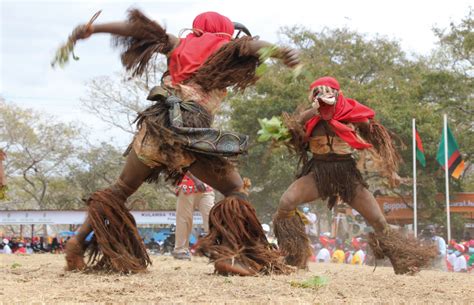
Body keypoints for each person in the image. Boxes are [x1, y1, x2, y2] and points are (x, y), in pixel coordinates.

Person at [63, 9, 299, 275]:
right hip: (188, 133)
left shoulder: (177, 44)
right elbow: (253, 46)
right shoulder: (226, 47)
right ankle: (230, 255)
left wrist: (94, 29)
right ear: (223, 31)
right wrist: (281, 51)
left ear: (197, 28)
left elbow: (138, 31)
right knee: (235, 188)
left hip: (154, 129)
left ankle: (76, 244)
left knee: (121, 189)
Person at [273, 76, 436, 274]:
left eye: (326, 93)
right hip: (318, 174)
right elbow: (289, 130)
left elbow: (374, 135)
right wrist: (315, 110)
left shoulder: (351, 114)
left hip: (347, 177)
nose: (323, 98)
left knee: (378, 221)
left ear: (336, 94)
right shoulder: (310, 118)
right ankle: (294, 257)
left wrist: (390, 170)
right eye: (318, 95)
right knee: (286, 202)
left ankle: (404, 261)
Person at [172, 173, 214, 260]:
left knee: (211, 216)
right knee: (185, 219)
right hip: (187, 185)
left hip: (206, 187)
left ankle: (213, 247)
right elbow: (182, 165)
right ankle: (180, 250)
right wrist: (196, 180)